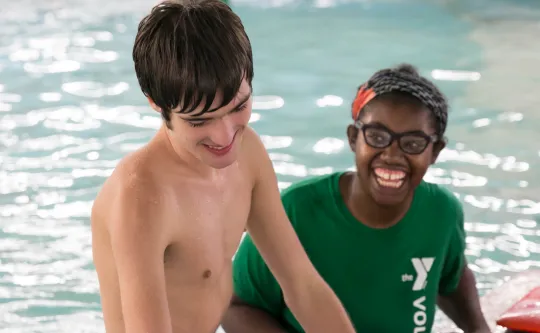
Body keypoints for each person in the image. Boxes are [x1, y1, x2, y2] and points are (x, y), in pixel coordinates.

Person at [90, 1, 356, 333]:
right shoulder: (141, 195)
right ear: (156, 103)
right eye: (199, 121)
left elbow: (302, 286)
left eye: (239, 106)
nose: (225, 135)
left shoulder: (249, 153)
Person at [222, 64, 491, 333]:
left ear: (435, 151)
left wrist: (479, 329)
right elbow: (235, 306)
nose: (392, 155)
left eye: (413, 143)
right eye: (376, 137)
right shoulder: (298, 210)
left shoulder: (441, 212)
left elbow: (451, 277)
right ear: (353, 138)